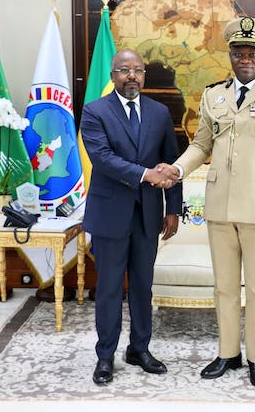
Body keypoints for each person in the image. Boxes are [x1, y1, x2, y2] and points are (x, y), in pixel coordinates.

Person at [162, 17, 255, 387]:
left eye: (252, 53)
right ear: (230, 56)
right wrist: (177, 170)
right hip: (220, 206)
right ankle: (228, 353)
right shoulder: (214, 95)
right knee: (224, 287)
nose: (245, 59)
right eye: (239, 53)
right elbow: (201, 145)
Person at [80, 49, 182, 385]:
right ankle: (105, 356)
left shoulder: (159, 112)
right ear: (113, 76)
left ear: (144, 75)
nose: (132, 76)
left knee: (142, 287)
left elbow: (171, 162)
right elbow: (102, 158)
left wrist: (173, 208)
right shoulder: (95, 111)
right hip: (110, 215)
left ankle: (139, 349)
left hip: (148, 216)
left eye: (137, 70)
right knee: (110, 289)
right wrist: (145, 174)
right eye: (124, 70)